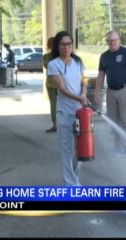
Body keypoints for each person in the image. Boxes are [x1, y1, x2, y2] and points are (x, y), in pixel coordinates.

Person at [47, 31, 89, 186]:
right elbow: (62, 88)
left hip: (80, 114)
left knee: (81, 150)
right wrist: (78, 98)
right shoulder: (54, 64)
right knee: (67, 150)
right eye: (63, 44)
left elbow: (83, 82)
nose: (66, 47)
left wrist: (84, 94)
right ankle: (70, 185)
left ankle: (75, 179)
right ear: (57, 46)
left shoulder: (78, 62)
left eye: (69, 44)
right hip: (65, 113)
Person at [94, 31, 126, 157]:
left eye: (115, 39)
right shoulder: (104, 56)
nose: (113, 42)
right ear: (107, 42)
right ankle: (118, 146)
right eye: (110, 40)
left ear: (119, 40)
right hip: (111, 91)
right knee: (113, 119)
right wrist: (97, 92)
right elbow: (101, 75)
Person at [43, 37, 57, 133]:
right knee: (55, 104)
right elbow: (47, 67)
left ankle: (57, 124)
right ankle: (56, 124)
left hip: (57, 83)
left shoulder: (62, 56)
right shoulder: (47, 57)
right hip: (53, 83)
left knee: (57, 104)